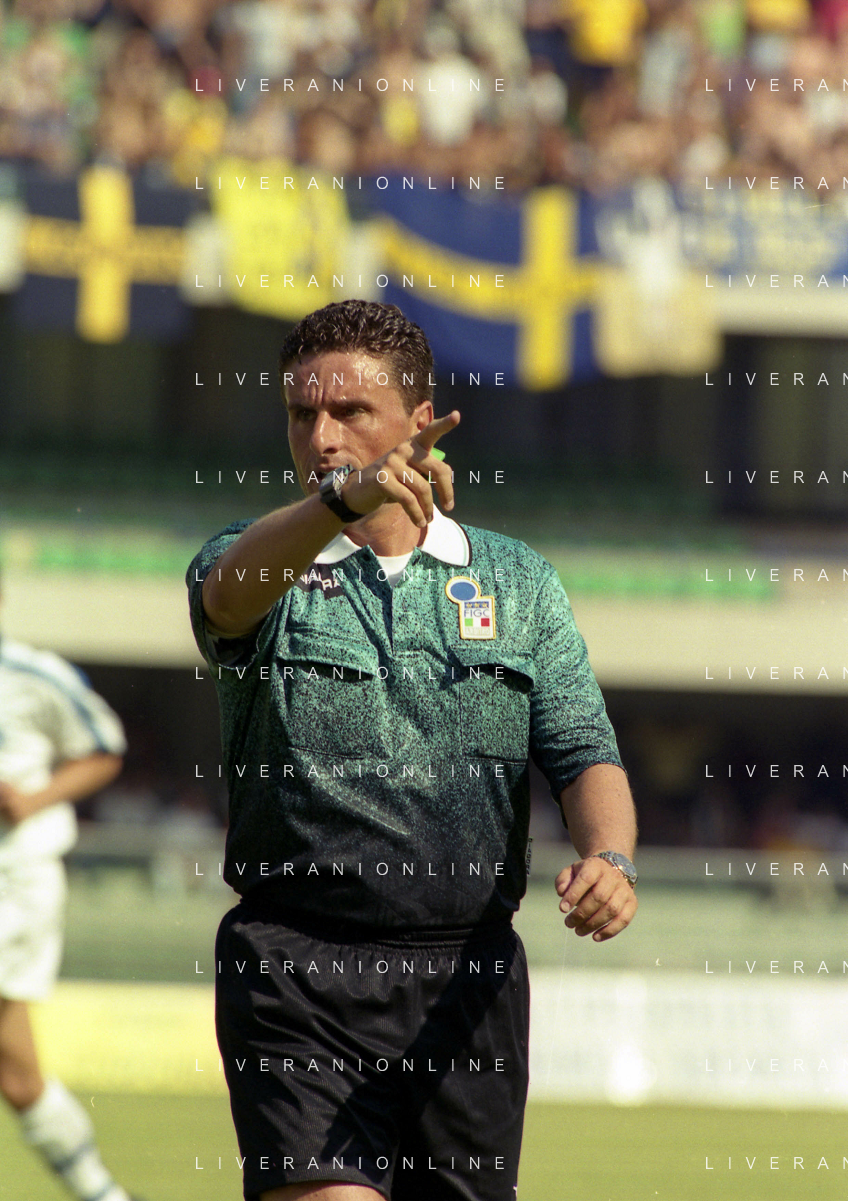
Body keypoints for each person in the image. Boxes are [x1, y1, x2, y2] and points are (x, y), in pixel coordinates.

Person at [187, 298, 638, 1201]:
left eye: (350, 411)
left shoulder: (516, 580)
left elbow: (585, 749)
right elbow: (226, 600)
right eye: (302, 413)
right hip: (294, 972)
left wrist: (611, 856)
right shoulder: (256, 564)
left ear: (420, 419)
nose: (321, 436)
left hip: (468, 985)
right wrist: (340, 501)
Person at [0, 624, 136, 1201]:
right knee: (17, 1076)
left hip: (13, 882)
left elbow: (104, 749)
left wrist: (29, 800)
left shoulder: (33, 675)